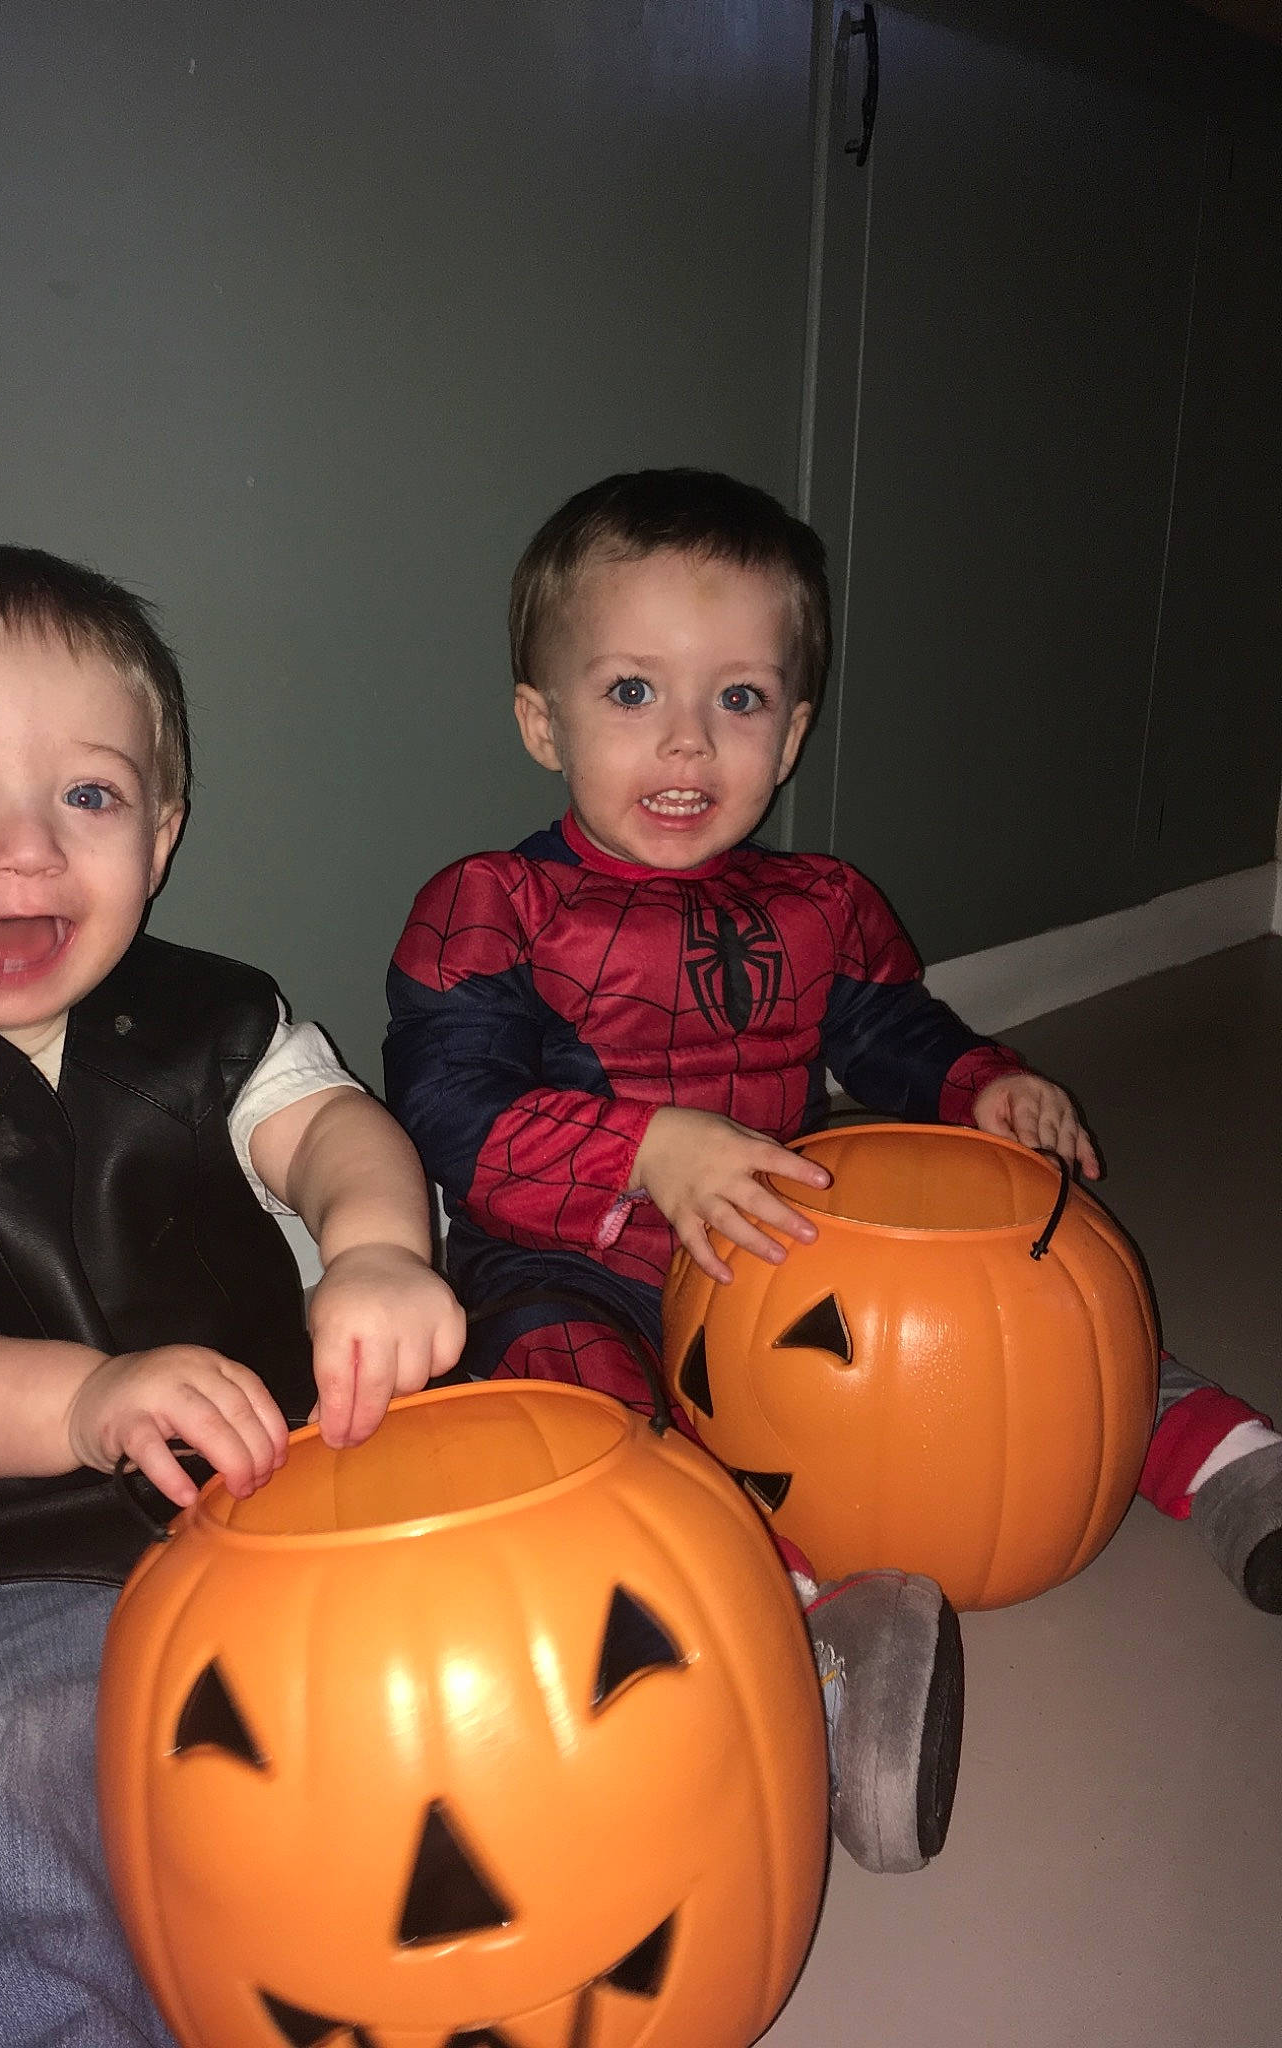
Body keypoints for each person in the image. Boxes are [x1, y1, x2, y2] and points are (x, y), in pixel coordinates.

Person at [384, 467, 1282, 1875]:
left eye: (737, 700)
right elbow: (449, 1109)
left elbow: (887, 1031)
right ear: (539, 720)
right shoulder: (489, 907)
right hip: (568, 1255)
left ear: (791, 731)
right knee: (597, 1436)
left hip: (777, 1238)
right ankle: (807, 1651)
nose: (687, 742)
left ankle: (1227, 1463)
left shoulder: (821, 903)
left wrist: (989, 1082)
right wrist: (647, 1148)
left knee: (1021, 1314)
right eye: (632, 694)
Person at [0, 544, 465, 2048]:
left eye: (90, 795)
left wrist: (382, 1247)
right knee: (25, 1768)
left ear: (163, 831)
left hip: (279, 1487)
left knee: (489, 1628)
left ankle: (777, 1686)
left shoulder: (215, 1016)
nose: (26, 851)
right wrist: (79, 1401)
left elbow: (333, 1135)